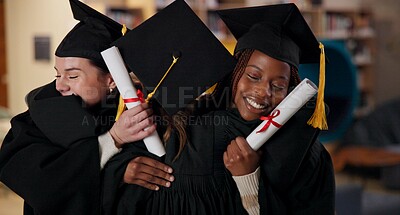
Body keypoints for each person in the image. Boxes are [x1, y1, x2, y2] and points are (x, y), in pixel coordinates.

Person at [102, 2, 334, 215]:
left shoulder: (304, 151)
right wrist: (122, 168)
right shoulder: (187, 125)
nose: (264, 91)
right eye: (253, 76)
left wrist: (249, 179)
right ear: (234, 74)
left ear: (291, 90)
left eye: (279, 85)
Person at [0, 1, 173, 214]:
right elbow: (37, 180)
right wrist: (113, 144)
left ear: (111, 80)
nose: (60, 85)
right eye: (57, 74)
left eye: (73, 76)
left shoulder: (141, 112)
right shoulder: (44, 111)